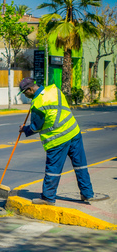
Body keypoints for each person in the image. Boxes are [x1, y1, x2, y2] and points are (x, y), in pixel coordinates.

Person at [19, 77, 95, 205]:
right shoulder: (54, 90)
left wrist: (24, 129)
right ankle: (87, 194)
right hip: (74, 132)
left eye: (24, 93)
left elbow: (36, 127)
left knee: (53, 169)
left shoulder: (38, 104)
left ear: (30, 89)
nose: (24, 96)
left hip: (58, 139)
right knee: (80, 165)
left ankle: (48, 198)